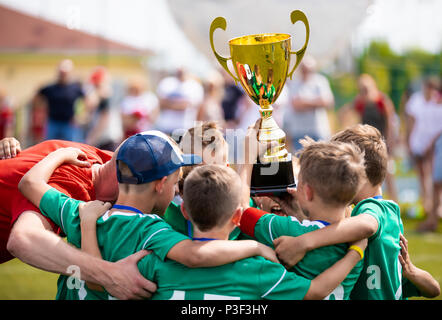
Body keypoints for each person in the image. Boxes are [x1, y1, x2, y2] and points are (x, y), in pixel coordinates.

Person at [18, 131, 280, 299]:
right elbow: (195, 254)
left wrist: (60, 153)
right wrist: (256, 247)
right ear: (160, 184)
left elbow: (29, 184)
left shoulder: (81, 211)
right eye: (176, 181)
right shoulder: (153, 230)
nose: (178, 188)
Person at [82, 164, 367, 300]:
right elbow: (316, 292)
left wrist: (86, 224)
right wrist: (356, 251)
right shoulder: (259, 270)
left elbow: (97, 282)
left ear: (183, 212)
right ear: (237, 217)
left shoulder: (156, 263)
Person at [273, 124, 441, 300]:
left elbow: (366, 225)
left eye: (340, 172)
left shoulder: (374, 209)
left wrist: (304, 242)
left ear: (360, 173)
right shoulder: (376, 214)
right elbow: (434, 290)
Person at [1, 138, 158, 299]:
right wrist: (109, 274)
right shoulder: (65, 186)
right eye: (170, 183)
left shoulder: (95, 158)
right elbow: (22, 239)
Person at [238, 135, 367, 300]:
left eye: (296, 183)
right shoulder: (356, 243)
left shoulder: (289, 230)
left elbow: (241, 212)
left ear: (307, 191)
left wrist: (247, 157)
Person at [338, 73, 398, 202]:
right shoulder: (360, 102)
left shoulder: (381, 100)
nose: (364, 92)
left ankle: (394, 200)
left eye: (366, 88)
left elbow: (390, 122)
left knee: (388, 172)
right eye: (361, 89)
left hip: (382, 140)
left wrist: (390, 141)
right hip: (368, 141)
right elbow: (344, 112)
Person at [404, 76, 442, 215]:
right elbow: (410, 122)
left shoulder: (438, 102)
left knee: (434, 174)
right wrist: (408, 141)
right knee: (422, 174)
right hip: (418, 143)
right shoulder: (416, 101)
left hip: (433, 144)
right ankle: (426, 202)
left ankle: (438, 205)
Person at [283, 55, 334, 151]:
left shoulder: (320, 81)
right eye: (304, 69)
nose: (306, 72)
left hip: (319, 130)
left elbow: (328, 102)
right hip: (299, 132)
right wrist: (316, 102)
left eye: (309, 70)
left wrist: (304, 102)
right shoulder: (294, 83)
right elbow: (296, 105)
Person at [33, 59, 86, 142]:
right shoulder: (49, 88)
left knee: (72, 148)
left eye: (65, 73)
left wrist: (80, 116)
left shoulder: (76, 88)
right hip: (52, 123)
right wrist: (41, 114)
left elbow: (87, 101)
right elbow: (36, 98)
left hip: (69, 124)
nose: (63, 75)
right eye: (61, 72)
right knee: (50, 147)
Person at [155, 67, 204, 138]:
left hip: (185, 128)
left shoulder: (194, 86)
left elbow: (188, 106)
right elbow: (161, 103)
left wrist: (170, 103)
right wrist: (180, 105)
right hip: (166, 127)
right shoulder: (166, 83)